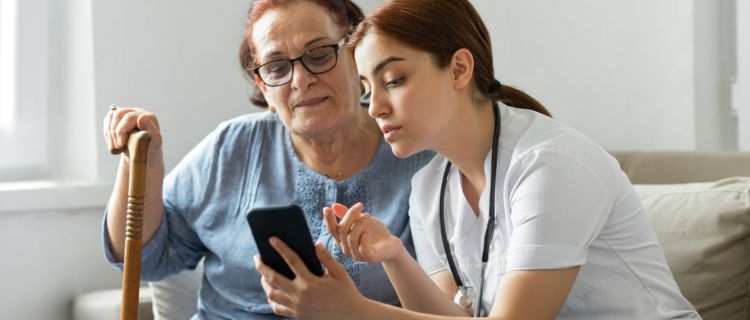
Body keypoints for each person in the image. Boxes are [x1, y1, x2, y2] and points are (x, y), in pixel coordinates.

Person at [254, 0, 701, 319]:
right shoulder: (430, 186)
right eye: (369, 90)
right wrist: (393, 256)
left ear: (460, 69)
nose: (375, 108)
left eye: (394, 79)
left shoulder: (550, 165)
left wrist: (354, 312)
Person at [101, 0, 433, 319]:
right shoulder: (231, 148)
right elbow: (144, 260)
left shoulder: (419, 154)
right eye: (277, 67)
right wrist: (142, 163)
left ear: (355, 55)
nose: (301, 79)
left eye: (318, 55)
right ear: (264, 87)